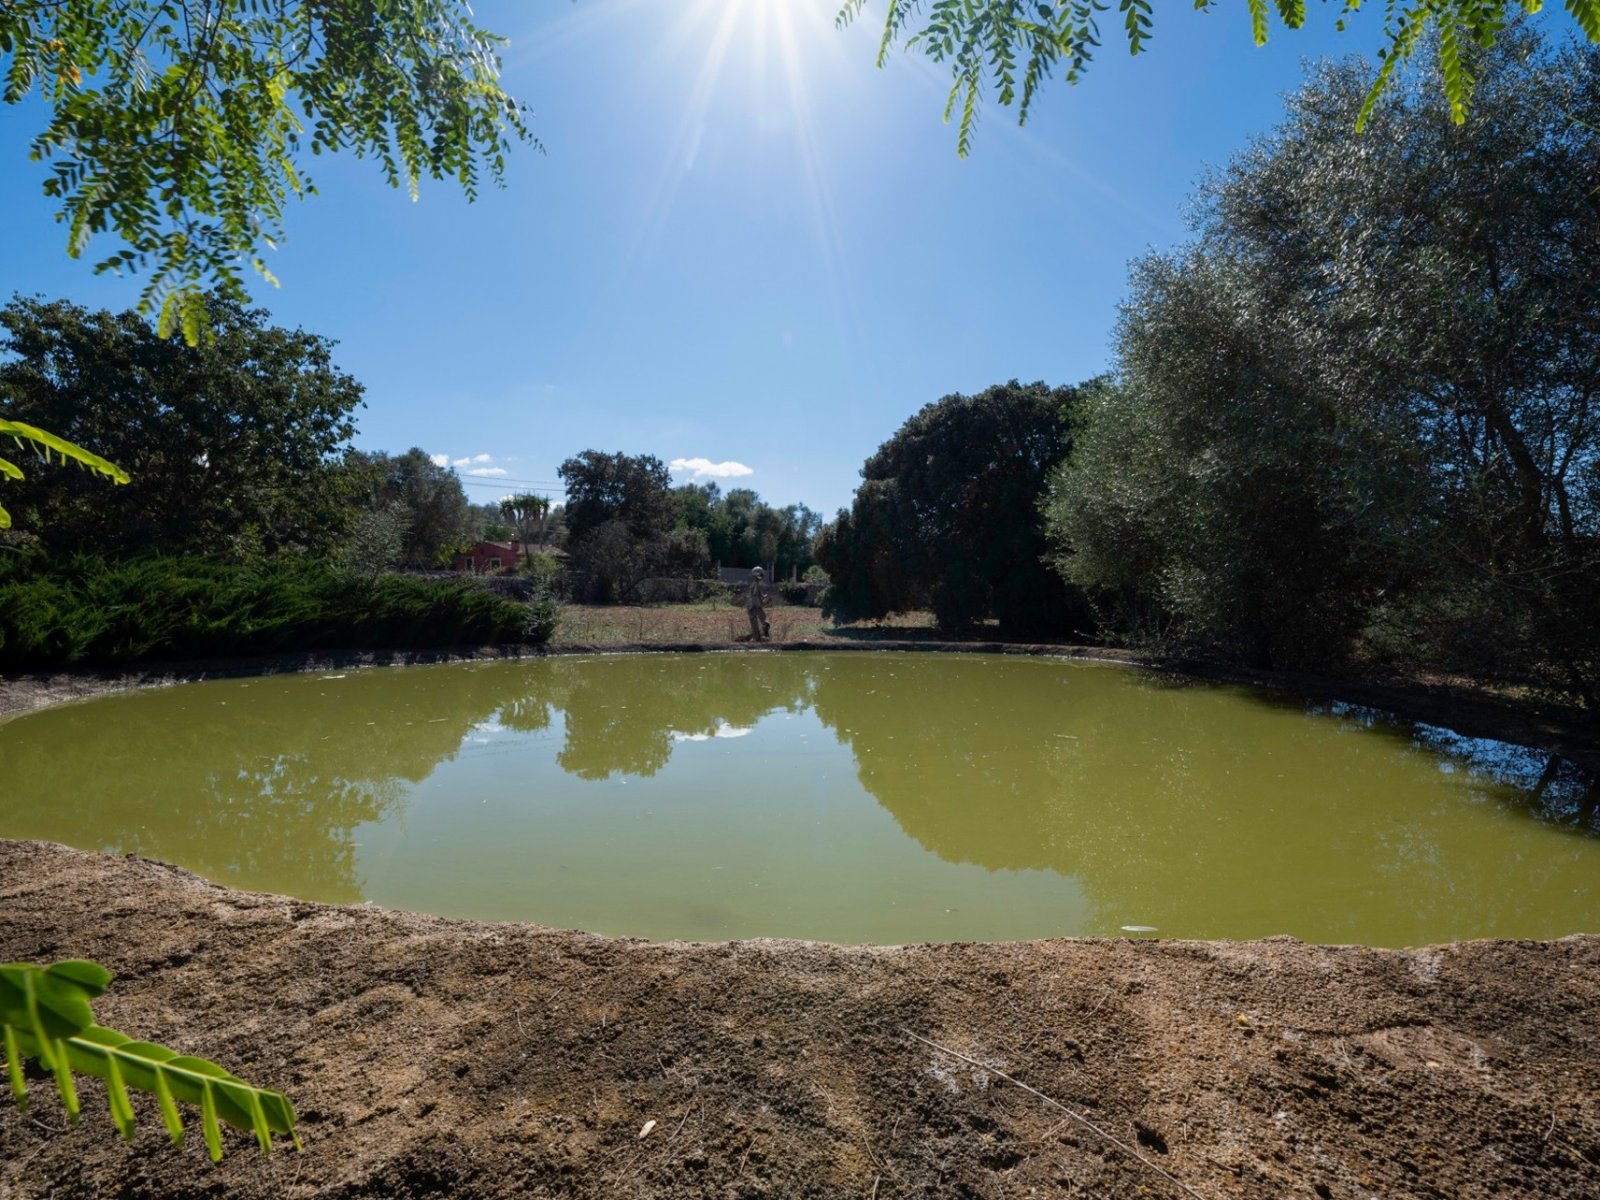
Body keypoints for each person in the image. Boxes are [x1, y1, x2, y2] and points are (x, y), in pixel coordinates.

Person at [745, 565, 770, 641]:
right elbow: (755, 594)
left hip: (754, 606)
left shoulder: (755, 583)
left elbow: (756, 594)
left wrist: (763, 596)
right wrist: (763, 598)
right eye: (761, 575)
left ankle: (758, 637)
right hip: (755, 606)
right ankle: (763, 629)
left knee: (757, 623)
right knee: (762, 619)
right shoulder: (756, 583)